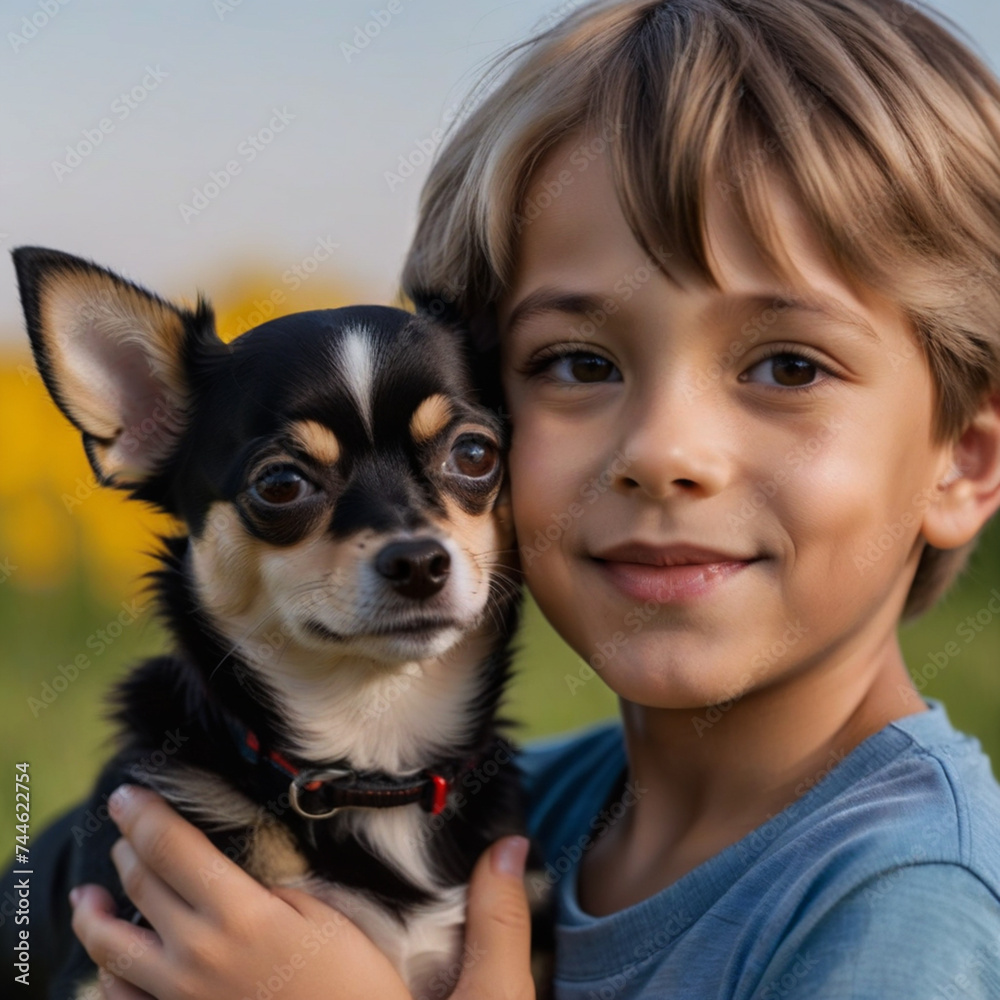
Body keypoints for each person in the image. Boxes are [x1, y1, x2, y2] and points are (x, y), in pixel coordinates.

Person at [70, 0, 1000, 997]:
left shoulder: (906, 905)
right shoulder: (518, 807)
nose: (662, 452)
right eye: (577, 361)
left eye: (786, 366)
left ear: (963, 461)